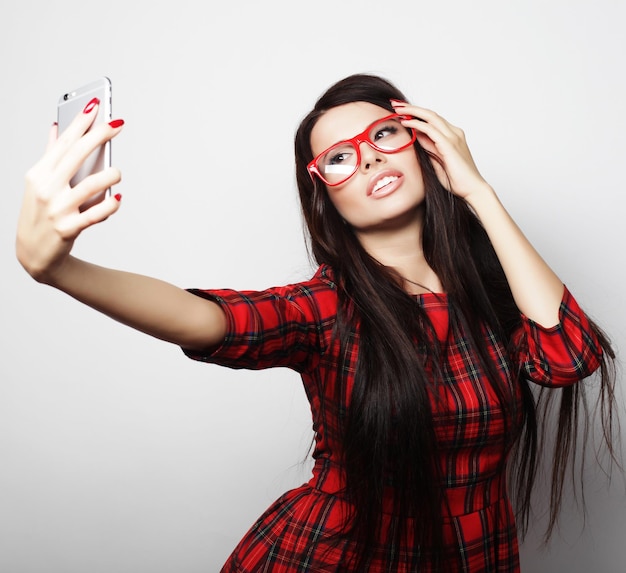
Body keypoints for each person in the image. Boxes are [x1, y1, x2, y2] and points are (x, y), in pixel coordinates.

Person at [16, 73, 620, 572]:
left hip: (477, 557)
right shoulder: (326, 306)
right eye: (338, 158)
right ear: (324, 196)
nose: (369, 158)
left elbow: (572, 358)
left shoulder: (493, 292)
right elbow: (208, 320)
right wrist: (60, 270)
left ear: (425, 143)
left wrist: (477, 190)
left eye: (384, 133)